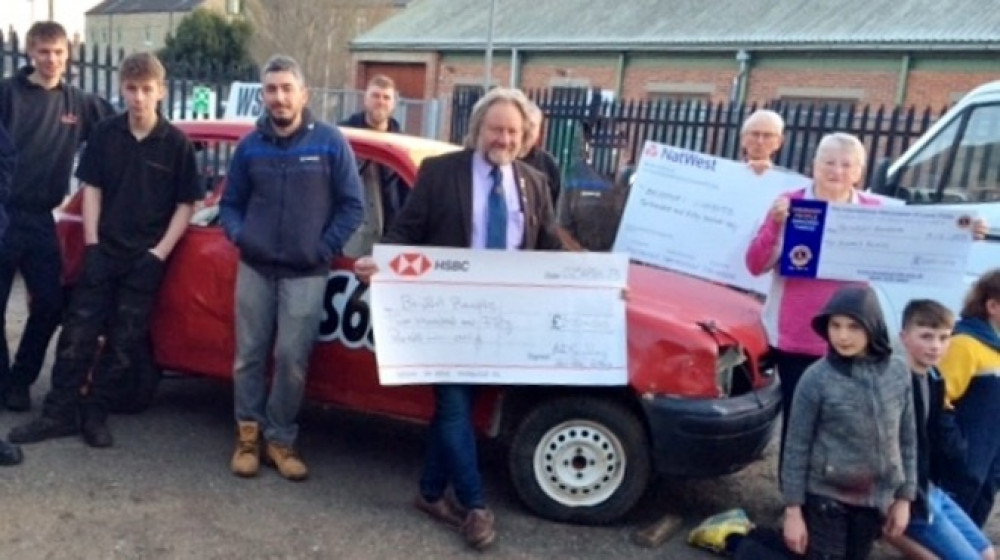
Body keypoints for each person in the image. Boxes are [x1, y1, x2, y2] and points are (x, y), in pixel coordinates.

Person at [353, 87, 571, 550]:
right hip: (446, 316)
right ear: (478, 129)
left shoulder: (533, 182)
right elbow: (405, 230)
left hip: (501, 321)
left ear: (525, 136)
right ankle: (475, 506)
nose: (504, 138)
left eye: (513, 131)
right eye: (496, 128)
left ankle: (431, 493)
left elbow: (550, 244)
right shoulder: (440, 173)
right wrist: (381, 261)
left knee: (461, 407)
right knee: (454, 404)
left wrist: (597, 278)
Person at [7, 52, 201, 448]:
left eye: (147, 90)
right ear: (121, 89)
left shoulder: (177, 144)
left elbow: (187, 205)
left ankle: (96, 413)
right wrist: (93, 244)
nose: (139, 98)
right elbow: (91, 188)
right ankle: (58, 412)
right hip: (104, 251)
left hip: (145, 258)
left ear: (160, 91)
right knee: (77, 334)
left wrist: (159, 254)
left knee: (125, 342)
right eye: (131, 89)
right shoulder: (106, 134)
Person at [221, 55, 364, 482]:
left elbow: (352, 205)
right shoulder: (250, 146)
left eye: (287, 89)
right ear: (263, 95)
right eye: (271, 89)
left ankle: (280, 439)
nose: (279, 97)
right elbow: (230, 204)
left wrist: (322, 247)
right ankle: (247, 436)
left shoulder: (330, 142)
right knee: (248, 356)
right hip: (256, 268)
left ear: (304, 94)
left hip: (307, 272)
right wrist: (242, 236)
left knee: (291, 358)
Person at [745, 133, 882, 469]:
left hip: (851, 338)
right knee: (799, 422)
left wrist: (964, 231)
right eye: (829, 162)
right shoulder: (789, 203)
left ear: (859, 172)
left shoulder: (875, 211)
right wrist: (775, 227)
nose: (836, 170)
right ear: (814, 166)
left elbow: (918, 246)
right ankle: (793, 500)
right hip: (796, 336)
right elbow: (755, 264)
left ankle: (828, 496)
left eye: (846, 164)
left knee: (841, 423)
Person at [0, 21, 114, 412]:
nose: (52, 59)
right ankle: (3, 385)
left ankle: (20, 379)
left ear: (69, 55)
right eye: (44, 51)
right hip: (2, 215)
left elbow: (119, 129)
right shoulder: (6, 95)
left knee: (48, 305)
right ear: (30, 51)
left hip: (40, 220)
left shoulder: (78, 103)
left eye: (59, 52)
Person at [781, 284, 916, 560]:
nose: (842, 336)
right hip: (825, 500)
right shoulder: (816, 379)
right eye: (835, 325)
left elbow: (907, 438)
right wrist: (793, 511)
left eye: (854, 327)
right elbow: (795, 447)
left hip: (873, 500)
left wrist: (904, 498)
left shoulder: (899, 372)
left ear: (873, 326)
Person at [885, 299, 995, 560]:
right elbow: (892, 449)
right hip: (905, 495)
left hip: (930, 488)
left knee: (988, 553)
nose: (935, 346)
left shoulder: (934, 379)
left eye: (944, 338)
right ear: (904, 337)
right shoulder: (894, 384)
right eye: (926, 337)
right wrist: (901, 499)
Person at [936, 269, 1000, 527]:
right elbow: (938, 400)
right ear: (993, 306)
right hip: (960, 474)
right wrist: (960, 454)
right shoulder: (964, 344)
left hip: (987, 474)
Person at [339, 74, 407, 252]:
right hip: (348, 236)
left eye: (386, 97)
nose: (380, 102)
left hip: (386, 234)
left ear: (394, 103)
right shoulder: (343, 136)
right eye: (375, 96)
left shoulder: (402, 144)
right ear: (365, 99)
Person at [519, 101, 562, 206]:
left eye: (532, 126)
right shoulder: (502, 159)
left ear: (539, 131)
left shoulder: (548, 163)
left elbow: (554, 204)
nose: (527, 130)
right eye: (524, 124)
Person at [741, 109, 785, 175]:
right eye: (755, 134)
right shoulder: (725, 174)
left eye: (767, 136)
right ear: (743, 138)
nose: (760, 141)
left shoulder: (786, 181)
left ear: (779, 142)